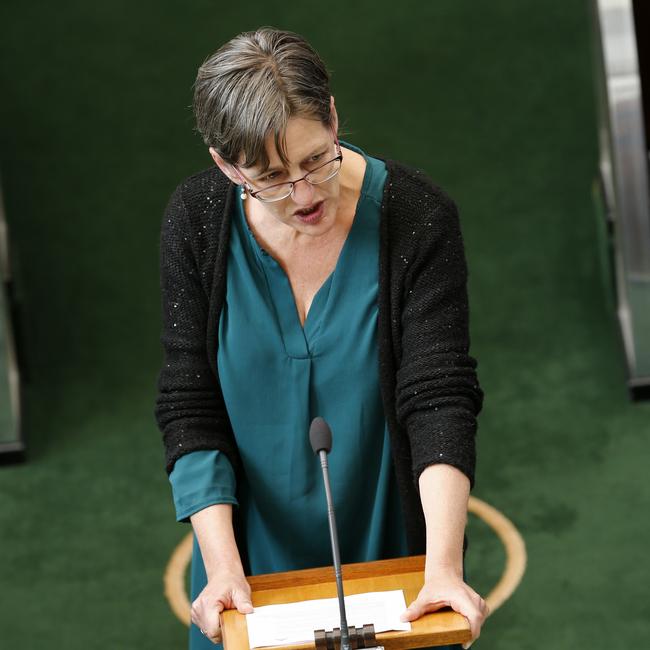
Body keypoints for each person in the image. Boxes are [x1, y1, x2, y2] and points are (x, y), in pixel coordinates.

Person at [155, 27, 488, 650]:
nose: (304, 194)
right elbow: (188, 404)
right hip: (246, 567)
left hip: (389, 553)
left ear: (333, 117)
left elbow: (438, 396)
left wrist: (441, 565)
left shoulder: (417, 218)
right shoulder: (196, 222)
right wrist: (224, 565)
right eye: (271, 177)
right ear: (225, 164)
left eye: (315, 159)